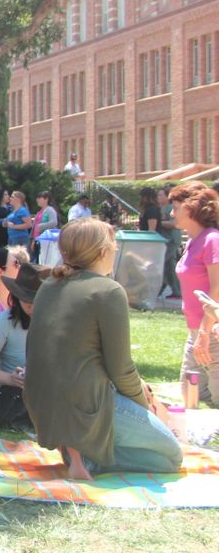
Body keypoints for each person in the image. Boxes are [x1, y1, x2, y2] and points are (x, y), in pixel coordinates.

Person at [26, 219, 181, 477]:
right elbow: (121, 369)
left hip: (42, 405)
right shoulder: (108, 291)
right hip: (86, 405)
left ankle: (81, 449)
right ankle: (91, 459)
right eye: (113, 245)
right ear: (101, 251)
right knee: (171, 457)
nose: (116, 251)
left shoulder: (49, 285)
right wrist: (144, 405)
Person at [0, 262, 48, 429]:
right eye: (26, 298)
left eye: (36, 299)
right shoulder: (5, 321)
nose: (31, 305)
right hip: (16, 398)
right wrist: (10, 379)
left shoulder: (63, 321)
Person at [168, 182, 219, 407]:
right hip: (197, 331)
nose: (172, 213)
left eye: (176, 207)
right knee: (191, 395)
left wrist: (205, 333)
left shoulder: (212, 239)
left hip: (212, 333)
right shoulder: (193, 241)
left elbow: (217, 289)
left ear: (191, 208)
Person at [157, 187, 182, 298]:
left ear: (167, 197)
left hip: (171, 239)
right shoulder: (162, 208)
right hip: (165, 239)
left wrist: (159, 223)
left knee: (163, 263)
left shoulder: (171, 208)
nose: (158, 197)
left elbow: (175, 223)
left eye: (161, 195)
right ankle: (176, 290)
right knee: (169, 266)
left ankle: (163, 285)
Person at [30, 191, 59, 256]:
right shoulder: (40, 211)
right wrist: (33, 240)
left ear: (46, 199)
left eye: (40, 198)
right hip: (37, 240)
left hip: (46, 240)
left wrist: (40, 226)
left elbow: (54, 222)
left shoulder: (50, 210)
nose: (37, 200)